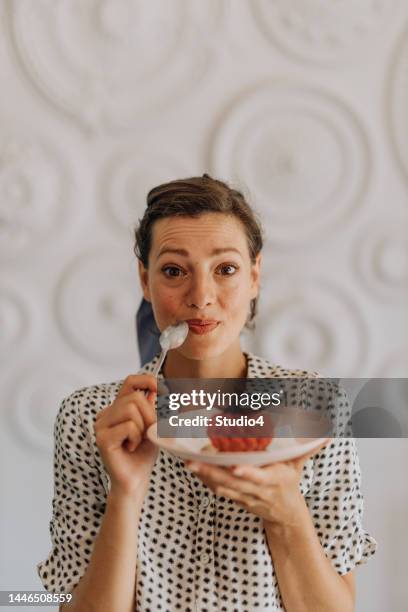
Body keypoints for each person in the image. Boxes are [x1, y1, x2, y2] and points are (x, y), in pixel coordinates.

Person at [37, 174, 377, 611]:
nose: (200, 297)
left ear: (254, 276)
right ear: (145, 280)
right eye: (174, 271)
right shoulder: (90, 418)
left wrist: (286, 514)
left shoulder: (312, 406)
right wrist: (125, 492)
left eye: (226, 270)